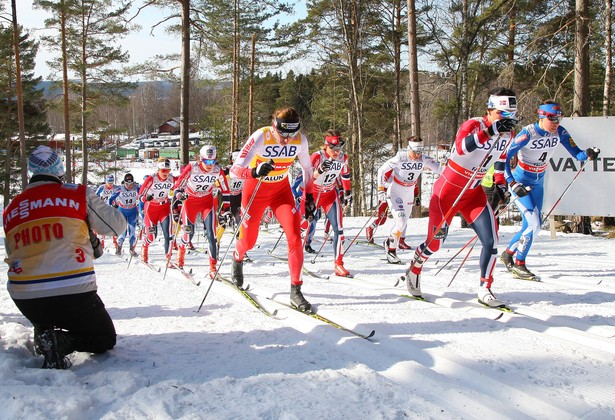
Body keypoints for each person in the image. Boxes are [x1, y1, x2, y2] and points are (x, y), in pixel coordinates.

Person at [2, 146, 126, 369]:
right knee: (104, 338)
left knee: (43, 309)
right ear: (59, 170)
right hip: (73, 290)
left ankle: (44, 330)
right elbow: (116, 226)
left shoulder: (12, 207)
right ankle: (63, 341)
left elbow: (12, 253)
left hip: (25, 295)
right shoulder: (77, 193)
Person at [405, 87, 518, 308]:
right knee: (435, 244)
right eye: (502, 115)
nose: (507, 121)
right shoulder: (473, 125)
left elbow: (501, 159)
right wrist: (491, 130)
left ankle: (485, 288)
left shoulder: (508, 134)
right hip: (447, 191)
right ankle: (415, 267)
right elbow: (460, 148)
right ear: (489, 110)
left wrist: (501, 183)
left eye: (511, 116)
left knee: (491, 240)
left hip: (473, 193)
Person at [500, 101, 600, 280]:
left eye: (559, 118)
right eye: (553, 119)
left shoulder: (560, 132)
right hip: (521, 181)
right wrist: (512, 183)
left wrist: (589, 152)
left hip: (538, 182)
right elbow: (504, 158)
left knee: (530, 225)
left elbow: (577, 154)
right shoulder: (527, 134)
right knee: (534, 224)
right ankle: (519, 264)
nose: (556, 122)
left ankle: (508, 254)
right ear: (541, 117)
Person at [230, 107, 315, 311]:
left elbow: (308, 169)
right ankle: (237, 257)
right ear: (274, 125)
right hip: (255, 191)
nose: (286, 139)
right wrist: (254, 171)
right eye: (282, 133)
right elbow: (234, 171)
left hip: (280, 192)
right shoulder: (262, 135)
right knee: (249, 241)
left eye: (291, 134)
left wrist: (309, 196)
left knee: (295, 236)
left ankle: (296, 289)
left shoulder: (300, 140)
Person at [377, 136, 442, 264]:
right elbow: (381, 170)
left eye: (420, 151)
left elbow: (440, 169)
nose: (418, 155)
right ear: (409, 148)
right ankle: (391, 250)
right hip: (395, 191)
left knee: (403, 223)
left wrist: (448, 165)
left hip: (409, 193)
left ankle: (390, 240)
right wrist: (380, 189)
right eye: (415, 151)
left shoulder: (423, 159)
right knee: (400, 221)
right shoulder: (401, 157)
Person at [173, 145, 230, 276]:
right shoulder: (193, 167)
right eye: (207, 161)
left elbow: (226, 190)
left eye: (213, 161)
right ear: (201, 159)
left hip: (207, 202)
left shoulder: (217, 170)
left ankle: (213, 268)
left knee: (212, 234)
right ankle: (180, 256)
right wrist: (179, 194)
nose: (210, 165)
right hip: (190, 202)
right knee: (189, 235)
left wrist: (226, 208)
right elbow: (179, 184)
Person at [306, 129, 353, 277]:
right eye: (332, 148)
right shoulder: (317, 156)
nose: (336, 151)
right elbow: (306, 178)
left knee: (339, 229)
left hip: (329, 195)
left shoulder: (342, 158)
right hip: (313, 195)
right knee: (304, 226)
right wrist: (319, 171)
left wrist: (347, 192)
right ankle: (296, 257)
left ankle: (338, 264)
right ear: (326, 146)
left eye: (338, 148)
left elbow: (345, 175)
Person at [138, 158, 175, 263]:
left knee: (169, 235)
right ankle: (144, 247)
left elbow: (180, 183)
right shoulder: (151, 179)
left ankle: (168, 258)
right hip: (151, 210)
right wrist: (146, 198)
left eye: (167, 171)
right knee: (152, 236)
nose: (165, 173)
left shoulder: (171, 179)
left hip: (164, 209)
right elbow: (140, 195)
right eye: (163, 171)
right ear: (158, 169)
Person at [109, 173, 140, 257]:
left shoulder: (136, 188)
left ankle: (132, 248)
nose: (129, 186)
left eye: (131, 184)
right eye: (127, 184)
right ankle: (119, 246)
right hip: (122, 211)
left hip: (132, 211)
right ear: (124, 183)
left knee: (132, 230)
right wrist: (113, 206)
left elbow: (142, 196)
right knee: (123, 231)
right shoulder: (120, 189)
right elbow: (110, 199)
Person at [95, 174, 119, 249]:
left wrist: (117, 203)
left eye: (112, 182)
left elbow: (120, 196)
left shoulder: (116, 188)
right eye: (109, 183)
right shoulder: (102, 188)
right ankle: (101, 241)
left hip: (112, 209)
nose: (110, 184)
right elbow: (95, 196)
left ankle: (115, 241)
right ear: (106, 182)